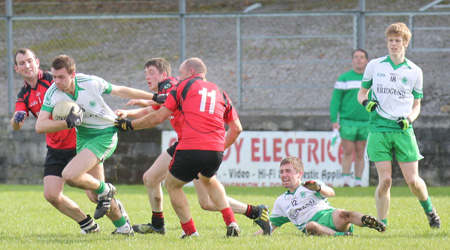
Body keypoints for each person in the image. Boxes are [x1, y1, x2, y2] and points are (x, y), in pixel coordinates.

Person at [114, 57, 272, 235]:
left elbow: (159, 107)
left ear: (165, 74)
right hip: (195, 144)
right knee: (151, 178)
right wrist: (130, 111)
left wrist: (135, 116)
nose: (147, 77)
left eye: (151, 73)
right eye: (145, 73)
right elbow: (155, 109)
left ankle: (253, 212)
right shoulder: (211, 90)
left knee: (203, 200)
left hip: (190, 143)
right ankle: (158, 224)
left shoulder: (172, 85)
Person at [35, 54, 157, 235]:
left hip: (106, 132)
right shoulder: (53, 92)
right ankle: (124, 228)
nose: (57, 81)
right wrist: (67, 123)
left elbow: (121, 90)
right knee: (94, 195)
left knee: (70, 175)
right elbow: (40, 126)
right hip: (84, 137)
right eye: (54, 76)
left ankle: (106, 189)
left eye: (61, 77)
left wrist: (155, 97)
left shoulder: (89, 82)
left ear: (73, 74)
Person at [357, 22, 441, 228]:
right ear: (387, 42)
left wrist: (409, 119)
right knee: (385, 181)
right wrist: (367, 103)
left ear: (405, 43)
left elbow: (417, 105)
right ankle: (382, 224)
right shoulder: (375, 66)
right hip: (378, 129)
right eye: (390, 40)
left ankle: (430, 211)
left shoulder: (415, 71)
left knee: (413, 181)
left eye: (398, 41)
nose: (393, 44)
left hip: (403, 131)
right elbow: (361, 93)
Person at [10, 48, 99, 234]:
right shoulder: (24, 95)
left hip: (79, 143)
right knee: (51, 195)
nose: (27, 66)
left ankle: (122, 221)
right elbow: (16, 124)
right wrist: (17, 118)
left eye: (29, 61)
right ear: (16, 69)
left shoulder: (54, 79)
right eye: (21, 63)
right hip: (55, 148)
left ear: (37, 62)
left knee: (95, 196)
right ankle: (87, 224)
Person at [253, 156, 386, 236]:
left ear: (299, 174)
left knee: (344, 214)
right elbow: (271, 227)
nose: (283, 175)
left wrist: (319, 188)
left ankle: (369, 221)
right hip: (314, 226)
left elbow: (331, 193)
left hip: (328, 215)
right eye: (281, 172)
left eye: (288, 171)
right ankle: (341, 236)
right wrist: (251, 237)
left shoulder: (311, 185)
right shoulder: (281, 201)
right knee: (310, 226)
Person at [330, 49, 370, 187]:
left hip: (366, 122)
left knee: (360, 151)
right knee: (347, 151)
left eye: (362, 57)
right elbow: (336, 100)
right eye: (356, 57)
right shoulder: (344, 78)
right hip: (347, 121)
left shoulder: (371, 79)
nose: (359, 59)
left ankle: (358, 182)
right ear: (352, 60)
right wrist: (334, 119)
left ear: (366, 61)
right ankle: (346, 181)